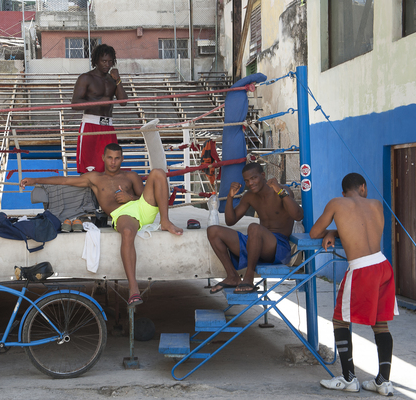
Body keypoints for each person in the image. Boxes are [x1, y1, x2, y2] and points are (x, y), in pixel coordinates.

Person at [20, 143, 182, 306]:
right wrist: (35, 179)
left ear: (122, 159)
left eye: (117, 158)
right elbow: (65, 180)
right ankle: (133, 289)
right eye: (110, 158)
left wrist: (129, 197)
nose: (113, 162)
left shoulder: (131, 176)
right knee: (126, 231)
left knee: (158, 173)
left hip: (143, 208)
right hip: (123, 214)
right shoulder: (94, 178)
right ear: (103, 158)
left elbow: (142, 196)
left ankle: (165, 221)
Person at [310, 172, 397, 396]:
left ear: (344, 192)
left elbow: (314, 232)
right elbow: (366, 229)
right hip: (383, 265)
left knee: (340, 320)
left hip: (361, 268)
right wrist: (338, 230)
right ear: (363, 188)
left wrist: (331, 230)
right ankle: (383, 382)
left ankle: (349, 378)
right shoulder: (376, 204)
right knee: (380, 324)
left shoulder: (337, 203)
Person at [207, 162, 304, 294]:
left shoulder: (281, 191)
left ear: (262, 175)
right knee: (213, 231)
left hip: (278, 247)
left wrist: (279, 191)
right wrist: (230, 197)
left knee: (254, 227)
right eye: (247, 180)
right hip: (256, 243)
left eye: (254, 178)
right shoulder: (249, 196)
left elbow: (298, 215)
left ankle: (248, 277)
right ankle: (232, 276)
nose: (250, 183)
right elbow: (230, 221)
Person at [71, 44, 128, 174]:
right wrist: (98, 102)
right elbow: (75, 104)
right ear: (96, 61)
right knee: (89, 170)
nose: (107, 64)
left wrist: (118, 80)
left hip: (108, 127)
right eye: (103, 61)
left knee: (110, 170)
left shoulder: (112, 80)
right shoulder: (86, 78)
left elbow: (123, 102)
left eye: (110, 61)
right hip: (91, 125)